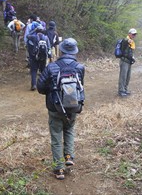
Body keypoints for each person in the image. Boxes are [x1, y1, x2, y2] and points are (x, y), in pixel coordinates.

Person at [37, 38, 85, 180]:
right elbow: (80, 86)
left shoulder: (51, 67)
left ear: (61, 50)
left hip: (55, 107)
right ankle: (69, 156)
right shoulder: (80, 67)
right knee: (69, 129)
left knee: (56, 136)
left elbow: (40, 87)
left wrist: (52, 91)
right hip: (73, 106)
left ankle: (59, 169)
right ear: (74, 51)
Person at [27, 25, 51, 90]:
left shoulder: (34, 37)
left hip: (35, 57)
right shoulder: (46, 38)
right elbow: (49, 47)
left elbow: (27, 36)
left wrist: (33, 30)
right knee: (43, 71)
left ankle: (34, 85)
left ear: (36, 31)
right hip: (43, 57)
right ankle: (43, 85)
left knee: (34, 71)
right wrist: (48, 56)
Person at [118, 28, 137, 97]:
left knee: (128, 77)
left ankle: (125, 89)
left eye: (135, 34)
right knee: (123, 77)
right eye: (133, 34)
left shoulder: (132, 42)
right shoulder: (125, 40)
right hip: (124, 61)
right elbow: (125, 41)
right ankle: (121, 91)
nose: (134, 35)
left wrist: (133, 58)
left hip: (129, 62)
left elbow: (130, 52)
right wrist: (128, 40)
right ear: (129, 34)